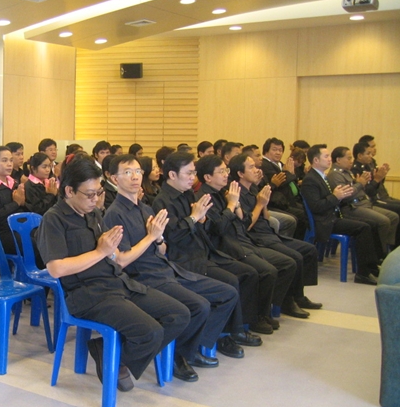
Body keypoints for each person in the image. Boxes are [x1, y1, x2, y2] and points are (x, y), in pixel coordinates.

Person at [36, 157, 190, 391]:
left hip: (118, 282)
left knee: (178, 314)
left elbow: (115, 256)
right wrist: (100, 252)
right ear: (69, 191)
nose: (95, 199)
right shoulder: (54, 219)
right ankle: (114, 358)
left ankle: (113, 356)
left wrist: (119, 249)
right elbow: (56, 268)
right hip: (88, 294)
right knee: (150, 331)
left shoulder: (93, 214)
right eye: (89, 194)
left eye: (98, 192)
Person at [104, 155, 238, 380]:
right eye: (127, 172)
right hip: (143, 277)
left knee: (227, 293)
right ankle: (177, 356)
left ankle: (192, 347)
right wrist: (151, 237)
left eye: (137, 171)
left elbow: (163, 249)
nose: (135, 177)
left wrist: (158, 239)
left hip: (167, 269)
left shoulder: (146, 209)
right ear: (114, 179)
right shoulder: (114, 214)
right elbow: (122, 261)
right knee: (198, 306)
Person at [152, 152, 262, 357]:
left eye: (194, 173)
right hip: (184, 260)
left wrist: (202, 220)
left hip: (204, 252)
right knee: (230, 283)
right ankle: (214, 339)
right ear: (172, 175)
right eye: (188, 173)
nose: (193, 178)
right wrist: (194, 218)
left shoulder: (188, 194)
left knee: (245, 273)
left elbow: (209, 226)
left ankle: (225, 333)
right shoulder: (162, 201)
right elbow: (173, 236)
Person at [196, 154, 293, 331]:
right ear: (208, 177)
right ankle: (252, 320)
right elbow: (219, 229)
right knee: (261, 271)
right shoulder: (205, 197)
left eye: (226, 170)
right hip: (223, 248)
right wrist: (231, 205)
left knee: (272, 267)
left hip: (238, 241)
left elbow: (243, 222)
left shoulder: (222, 193)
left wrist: (237, 205)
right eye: (221, 171)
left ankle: (262, 313)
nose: (226, 174)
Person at [229, 154, 322, 318]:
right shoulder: (236, 194)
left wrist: (263, 201)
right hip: (256, 238)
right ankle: (286, 301)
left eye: (255, 166)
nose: (256, 170)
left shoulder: (253, 188)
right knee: (293, 258)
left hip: (268, 233)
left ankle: (297, 295)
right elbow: (246, 225)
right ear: (240, 173)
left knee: (308, 250)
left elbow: (266, 218)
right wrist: (260, 204)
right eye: (251, 167)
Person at [300, 145, 380, 285]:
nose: (329, 159)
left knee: (371, 223)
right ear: (316, 160)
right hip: (324, 221)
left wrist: (339, 195)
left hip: (333, 216)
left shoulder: (322, 177)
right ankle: (363, 273)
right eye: (326, 156)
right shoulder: (310, 180)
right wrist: (336, 196)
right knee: (363, 228)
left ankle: (372, 267)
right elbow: (316, 207)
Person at [328, 146, 398, 255]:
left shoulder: (347, 172)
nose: (351, 161)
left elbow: (360, 189)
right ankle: (381, 253)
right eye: (349, 158)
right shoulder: (335, 175)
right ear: (338, 160)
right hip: (352, 207)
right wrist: (360, 183)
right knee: (383, 221)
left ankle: (389, 248)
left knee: (393, 217)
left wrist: (362, 183)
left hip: (364, 203)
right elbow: (346, 195)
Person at [261, 138, 307, 239]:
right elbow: (281, 181)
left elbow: (289, 178)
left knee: (308, 210)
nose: (278, 153)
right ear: (266, 150)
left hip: (288, 200)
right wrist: (290, 174)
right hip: (276, 203)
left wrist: (289, 174)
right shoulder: (265, 165)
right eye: (274, 149)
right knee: (302, 216)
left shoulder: (281, 164)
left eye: (280, 150)